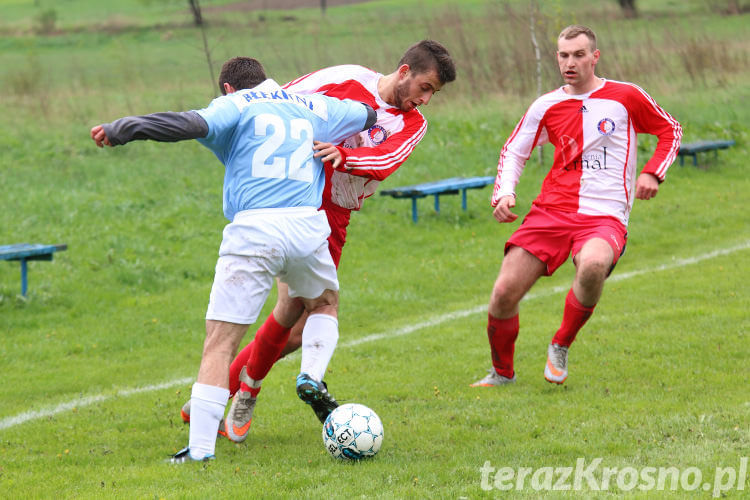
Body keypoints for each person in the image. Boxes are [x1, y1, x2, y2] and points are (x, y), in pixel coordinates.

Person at [90, 56, 376, 462]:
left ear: (228, 88)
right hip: (307, 226)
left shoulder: (235, 105)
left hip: (254, 231)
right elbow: (366, 112)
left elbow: (186, 125)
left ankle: (200, 451)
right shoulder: (311, 103)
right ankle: (311, 375)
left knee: (220, 343)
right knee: (324, 304)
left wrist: (123, 129)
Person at [179, 40, 457, 439]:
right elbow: (278, 100)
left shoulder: (412, 124)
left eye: (434, 93)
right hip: (292, 195)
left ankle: (233, 388)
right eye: (425, 87)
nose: (426, 100)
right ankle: (242, 391)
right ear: (404, 71)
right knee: (296, 308)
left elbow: (386, 161)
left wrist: (348, 156)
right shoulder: (344, 77)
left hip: (335, 212)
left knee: (294, 322)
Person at [471, 25, 682, 387]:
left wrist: (652, 173)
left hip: (604, 215)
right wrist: (504, 192)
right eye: (564, 55)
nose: (570, 62)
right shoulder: (546, 105)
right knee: (504, 293)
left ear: (594, 57)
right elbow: (514, 150)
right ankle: (502, 374)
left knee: (594, 265)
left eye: (579, 55)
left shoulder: (626, 96)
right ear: (557, 57)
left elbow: (670, 130)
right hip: (551, 211)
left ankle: (561, 344)